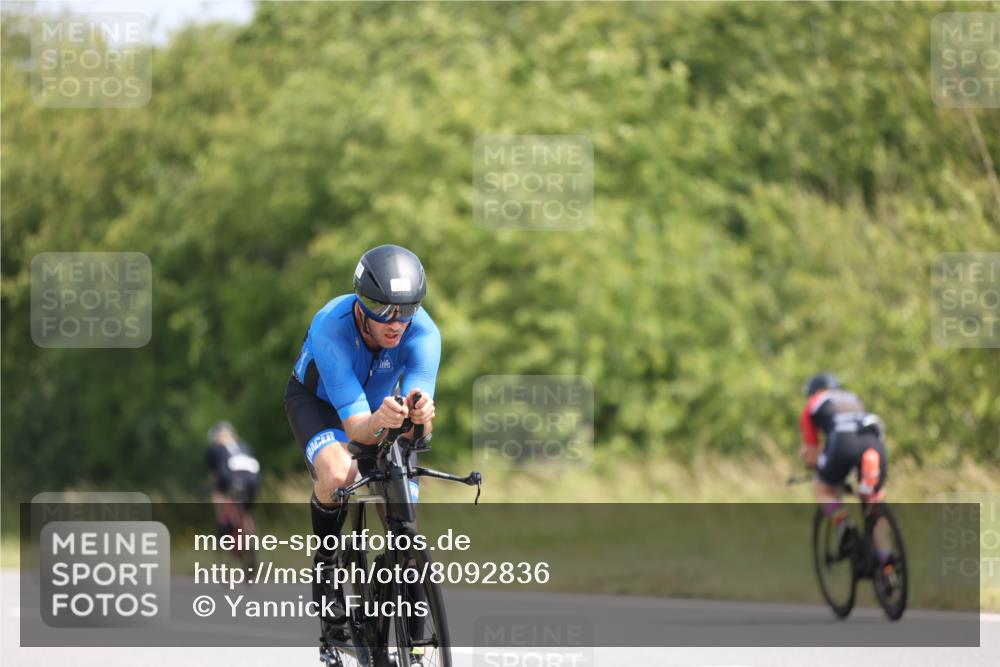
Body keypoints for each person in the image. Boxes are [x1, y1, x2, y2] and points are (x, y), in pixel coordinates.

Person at [284, 244, 440, 645]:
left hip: (377, 407)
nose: (395, 322)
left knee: (401, 509)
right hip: (320, 405)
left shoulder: (424, 333)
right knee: (339, 473)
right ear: (360, 303)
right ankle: (327, 565)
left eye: (406, 309)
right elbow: (356, 429)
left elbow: (416, 425)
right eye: (382, 309)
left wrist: (418, 421)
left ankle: (410, 631)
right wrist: (384, 422)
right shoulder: (330, 326)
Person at [799, 372, 893, 572]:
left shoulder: (813, 404)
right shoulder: (852, 398)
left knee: (823, 489)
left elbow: (812, 451)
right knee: (873, 501)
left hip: (843, 444)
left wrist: (814, 466)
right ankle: (887, 562)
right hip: (873, 443)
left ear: (814, 391)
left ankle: (843, 524)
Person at [206, 420, 261, 537]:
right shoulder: (244, 445)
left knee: (216, 492)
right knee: (246, 512)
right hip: (253, 480)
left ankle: (223, 523)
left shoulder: (215, 448)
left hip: (231, 479)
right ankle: (252, 543)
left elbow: (214, 475)